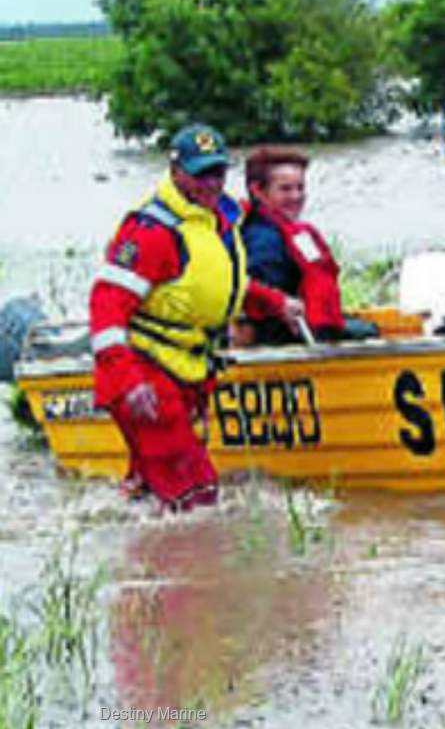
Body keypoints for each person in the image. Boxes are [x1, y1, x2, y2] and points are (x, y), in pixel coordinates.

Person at [88, 125, 303, 510]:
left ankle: (137, 558)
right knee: (197, 495)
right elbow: (106, 305)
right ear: (176, 171)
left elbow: (220, 281)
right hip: (146, 376)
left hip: (184, 369)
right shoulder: (152, 231)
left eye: (218, 173)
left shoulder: (218, 220)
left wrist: (275, 302)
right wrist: (128, 380)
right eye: (200, 173)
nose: (211, 183)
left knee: (154, 493)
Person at [238, 145, 379, 345]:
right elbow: (262, 305)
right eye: (285, 189)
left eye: (300, 187)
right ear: (257, 191)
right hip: (290, 341)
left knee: (365, 327)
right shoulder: (264, 240)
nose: (296, 197)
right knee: (370, 332)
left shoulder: (287, 231)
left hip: (310, 330)